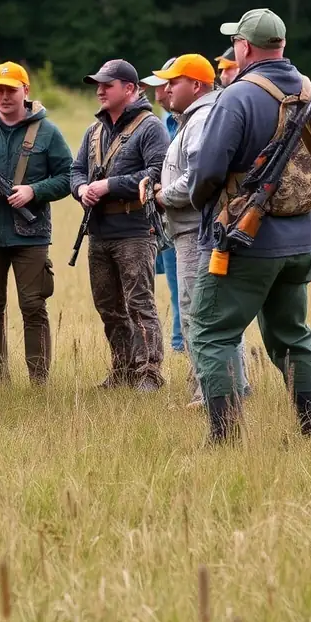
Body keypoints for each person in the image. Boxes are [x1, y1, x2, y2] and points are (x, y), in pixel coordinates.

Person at [189, 9, 311, 442]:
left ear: (245, 47)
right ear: (282, 46)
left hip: (245, 242)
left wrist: (205, 205)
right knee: (293, 335)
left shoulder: (236, 97)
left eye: (236, 41)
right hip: (302, 243)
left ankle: (224, 438)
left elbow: (208, 172)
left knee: (210, 332)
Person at [0, 62, 72, 384]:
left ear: (26, 91)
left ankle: (38, 379)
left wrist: (34, 191)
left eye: (11, 90)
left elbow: (68, 177)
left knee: (33, 305)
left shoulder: (48, 132)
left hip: (31, 235)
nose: (5, 96)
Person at [144, 54, 248, 407]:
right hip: (189, 228)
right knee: (201, 310)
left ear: (197, 85)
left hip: (193, 228)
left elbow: (198, 177)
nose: (167, 88)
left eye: (174, 82)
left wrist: (162, 195)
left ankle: (210, 393)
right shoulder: (192, 117)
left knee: (197, 312)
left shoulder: (202, 119)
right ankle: (223, 387)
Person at [70, 60, 170, 390]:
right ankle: (123, 369)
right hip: (99, 232)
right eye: (97, 84)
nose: (99, 89)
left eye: (107, 84)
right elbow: (76, 171)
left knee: (139, 304)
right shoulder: (94, 130)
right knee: (108, 307)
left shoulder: (150, 127)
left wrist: (110, 186)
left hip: (135, 230)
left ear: (129, 89)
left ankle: (149, 373)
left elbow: (156, 173)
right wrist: (82, 188)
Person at [140, 60, 182, 353]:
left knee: (185, 286)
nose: (156, 91)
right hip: (165, 214)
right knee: (174, 285)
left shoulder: (186, 120)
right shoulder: (165, 119)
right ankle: (179, 342)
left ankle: (181, 343)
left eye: (163, 84)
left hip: (182, 211)